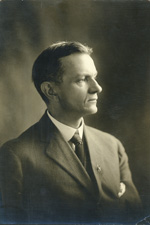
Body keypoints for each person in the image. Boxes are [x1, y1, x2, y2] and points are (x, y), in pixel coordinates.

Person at [0, 41, 142, 224]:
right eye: (82, 79)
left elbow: (136, 217)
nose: (97, 87)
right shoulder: (16, 155)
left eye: (94, 77)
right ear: (50, 90)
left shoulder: (113, 146)